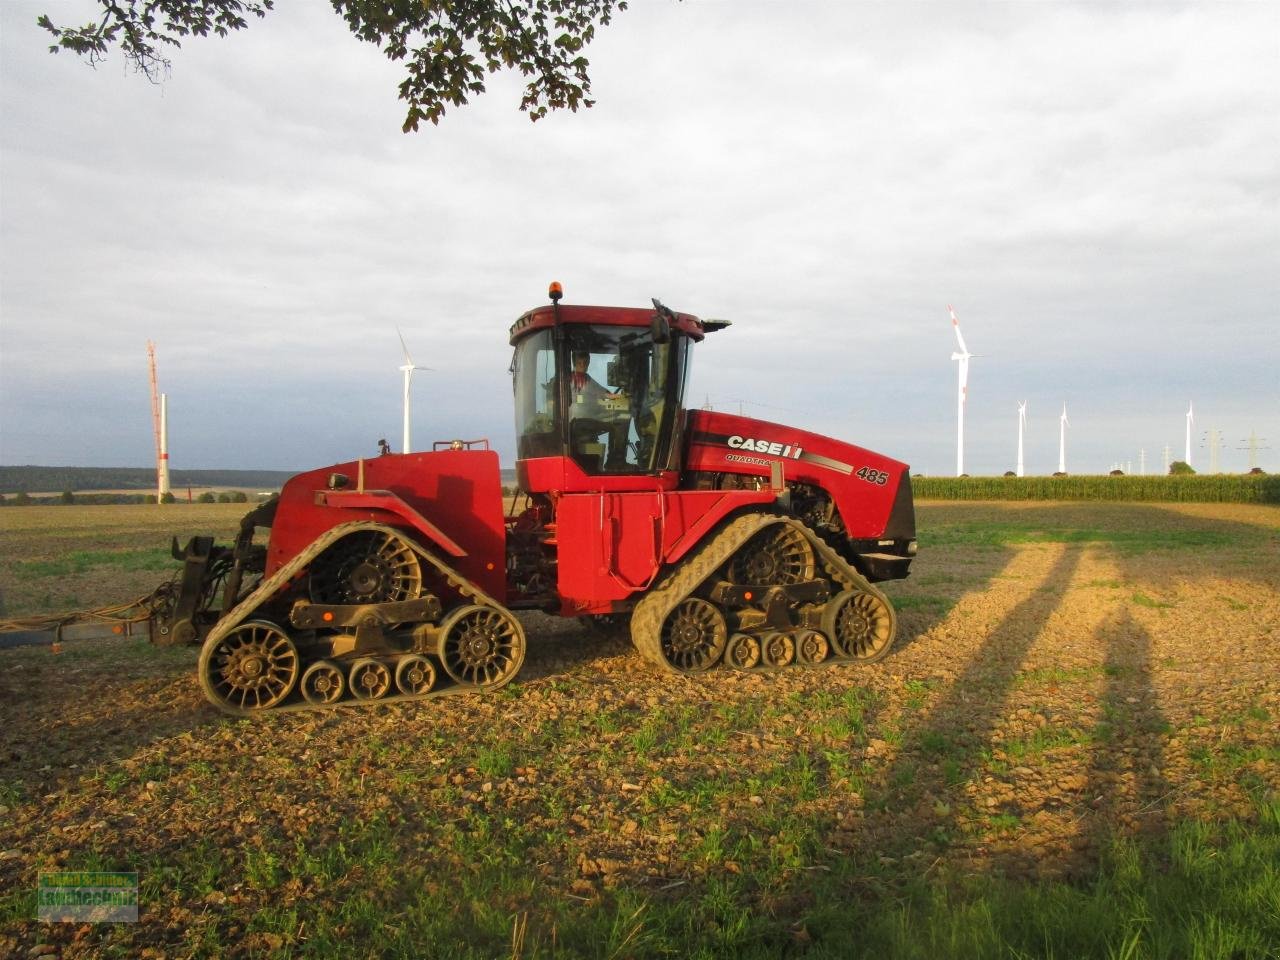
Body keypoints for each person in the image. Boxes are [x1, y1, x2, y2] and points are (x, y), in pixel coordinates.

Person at [551, 351, 631, 469]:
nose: (583, 365)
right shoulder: (573, 379)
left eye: (585, 363)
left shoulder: (582, 379)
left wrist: (619, 396)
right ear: (573, 362)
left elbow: (604, 393)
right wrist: (624, 397)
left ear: (588, 363)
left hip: (582, 420)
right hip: (581, 421)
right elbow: (605, 394)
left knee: (617, 422)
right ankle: (615, 461)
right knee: (621, 423)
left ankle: (613, 460)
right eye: (580, 363)